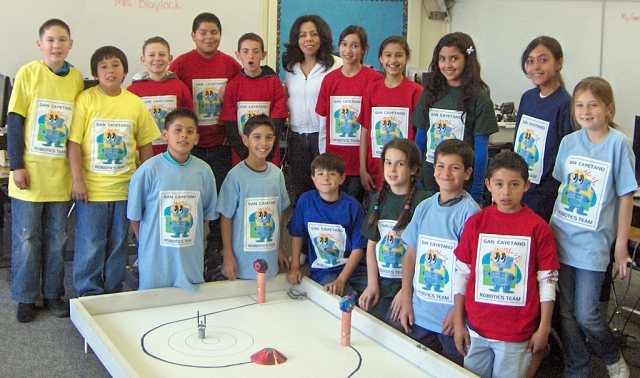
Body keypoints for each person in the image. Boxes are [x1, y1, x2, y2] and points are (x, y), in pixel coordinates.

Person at [550, 77, 635, 378]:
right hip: (561, 237)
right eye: (580, 105)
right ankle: (577, 367)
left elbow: (626, 196)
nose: (585, 111)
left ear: (609, 109)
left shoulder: (618, 144)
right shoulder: (569, 142)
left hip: (593, 243)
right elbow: (562, 188)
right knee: (567, 313)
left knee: (588, 313)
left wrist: (621, 245)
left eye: (593, 104)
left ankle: (612, 357)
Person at [453, 152, 559, 378]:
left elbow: (548, 280)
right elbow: (462, 274)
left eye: (514, 184)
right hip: (477, 328)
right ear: (488, 185)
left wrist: (544, 328)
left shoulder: (537, 228)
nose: (506, 192)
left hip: (517, 333)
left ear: (526, 185)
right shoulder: (476, 223)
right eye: (499, 184)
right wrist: (459, 321)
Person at [7, 19, 84, 322]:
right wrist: (17, 165)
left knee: (57, 238)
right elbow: (15, 121)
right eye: (50, 40)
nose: (56, 45)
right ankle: (26, 297)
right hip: (30, 173)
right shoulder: (28, 73)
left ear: (70, 44)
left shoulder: (77, 78)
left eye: (62, 39)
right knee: (26, 237)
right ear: (41, 45)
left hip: (61, 175)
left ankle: (53, 294)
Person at [68, 46, 160, 297]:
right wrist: (78, 180)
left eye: (116, 65)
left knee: (120, 243)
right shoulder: (86, 100)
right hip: (92, 190)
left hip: (125, 188)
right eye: (104, 66)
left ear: (125, 71)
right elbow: (73, 143)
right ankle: (89, 292)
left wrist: (144, 184)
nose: (110, 71)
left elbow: (145, 145)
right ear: (96, 74)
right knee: (91, 242)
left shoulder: (134, 103)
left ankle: (113, 288)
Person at [395, 139, 479, 366]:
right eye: (441, 166)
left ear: (468, 173)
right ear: (433, 171)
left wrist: (458, 313)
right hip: (420, 311)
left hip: (450, 317)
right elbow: (411, 255)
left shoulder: (470, 214)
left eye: (455, 167)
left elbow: (472, 269)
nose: (446, 173)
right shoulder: (424, 207)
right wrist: (406, 299)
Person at [169, 12, 241, 266]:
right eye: (203, 33)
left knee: (219, 199)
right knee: (190, 200)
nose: (209, 37)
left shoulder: (231, 65)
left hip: (221, 145)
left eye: (214, 32)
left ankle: (216, 251)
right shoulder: (180, 64)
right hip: (191, 149)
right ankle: (191, 248)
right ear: (193, 36)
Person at [127, 108, 217, 291]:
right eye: (178, 130)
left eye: (190, 131)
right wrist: (146, 245)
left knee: (189, 310)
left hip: (189, 261)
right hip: (155, 261)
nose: (184, 136)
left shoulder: (204, 171)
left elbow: (205, 215)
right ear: (165, 135)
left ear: (197, 138)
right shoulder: (148, 170)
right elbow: (134, 216)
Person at [411, 32, 498, 204]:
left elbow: (481, 152)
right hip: (430, 181)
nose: (447, 65)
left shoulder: (479, 98)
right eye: (442, 59)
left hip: (463, 186)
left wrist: (477, 194)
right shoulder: (429, 93)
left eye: (454, 58)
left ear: (467, 59)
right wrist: (417, 180)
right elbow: (419, 141)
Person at [358, 138, 428, 321]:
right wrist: (372, 284)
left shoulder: (423, 203)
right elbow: (371, 245)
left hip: (408, 286)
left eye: (400, 164)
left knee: (396, 328)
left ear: (413, 169)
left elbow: (424, 255)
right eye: (388, 163)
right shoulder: (379, 198)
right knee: (365, 322)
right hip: (382, 283)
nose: (392, 169)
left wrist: (407, 291)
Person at [216, 114, 290, 280]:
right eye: (257, 137)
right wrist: (227, 254)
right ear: (245, 140)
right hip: (242, 262)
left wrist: (278, 248)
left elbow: (280, 212)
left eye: (269, 137)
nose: (263, 143)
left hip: (269, 258)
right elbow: (226, 217)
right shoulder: (235, 176)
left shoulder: (277, 174)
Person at [315, 25, 383, 204]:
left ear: (364, 49)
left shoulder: (374, 79)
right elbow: (323, 122)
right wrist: (323, 156)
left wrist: (365, 166)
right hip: (334, 160)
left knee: (354, 209)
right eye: (344, 44)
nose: (348, 50)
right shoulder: (329, 80)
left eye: (354, 45)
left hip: (360, 163)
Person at [286, 153, 368, 298]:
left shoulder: (352, 206)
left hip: (355, 269)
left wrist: (342, 279)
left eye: (332, 174)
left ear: (342, 178)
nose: (325, 178)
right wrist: (295, 267)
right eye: (320, 173)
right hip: (324, 271)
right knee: (342, 297)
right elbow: (297, 234)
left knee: (375, 296)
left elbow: (358, 248)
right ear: (313, 178)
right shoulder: (306, 201)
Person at [513, 36, 574, 222]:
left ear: (559, 63)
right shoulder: (527, 98)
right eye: (530, 61)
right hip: (520, 190)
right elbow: (518, 143)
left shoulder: (566, 104)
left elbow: (567, 157)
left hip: (547, 197)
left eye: (543, 60)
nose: (536, 67)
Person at [283, 15, 342, 203]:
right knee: (302, 191)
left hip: (324, 136)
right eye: (302, 35)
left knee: (327, 191)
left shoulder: (336, 65)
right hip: (297, 138)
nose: (308, 39)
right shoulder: (291, 68)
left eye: (313, 34)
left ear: (322, 37)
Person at [359, 36, 423, 192]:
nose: (393, 60)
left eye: (399, 55)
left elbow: (419, 136)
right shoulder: (371, 90)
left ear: (407, 58)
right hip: (375, 170)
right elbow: (365, 130)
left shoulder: (416, 92)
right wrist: (362, 169)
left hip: (404, 172)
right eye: (388, 55)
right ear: (381, 58)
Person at [220, 32, 287, 167]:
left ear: (263, 55)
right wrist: (245, 153)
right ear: (238, 55)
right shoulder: (233, 85)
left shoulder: (273, 83)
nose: (251, 56)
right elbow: (230, 123)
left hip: (268, 152)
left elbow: (278, 119)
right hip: (242, 154)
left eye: (256, 52)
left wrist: (269, 150)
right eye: (245, 51)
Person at [127, 36, 193, 156]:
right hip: (144, 155)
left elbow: (189, 121)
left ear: (169, 59)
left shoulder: (180, 87)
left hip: (174, 155)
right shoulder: (132, 90)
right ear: (143, 60)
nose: (157, 59)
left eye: (162, 54)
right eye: (152, 55)